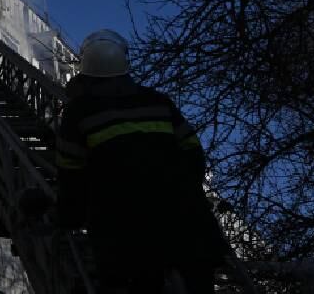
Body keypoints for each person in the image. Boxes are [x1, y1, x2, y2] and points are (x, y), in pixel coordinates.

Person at [56, 29, 226, 293]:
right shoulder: (158, 101)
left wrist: (68, 218)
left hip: (124, 228)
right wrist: (182, 188)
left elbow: (71, 174)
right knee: (197, 278)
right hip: (186, 221)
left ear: (85, 70)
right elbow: (193, 150)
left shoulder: (79, 111)